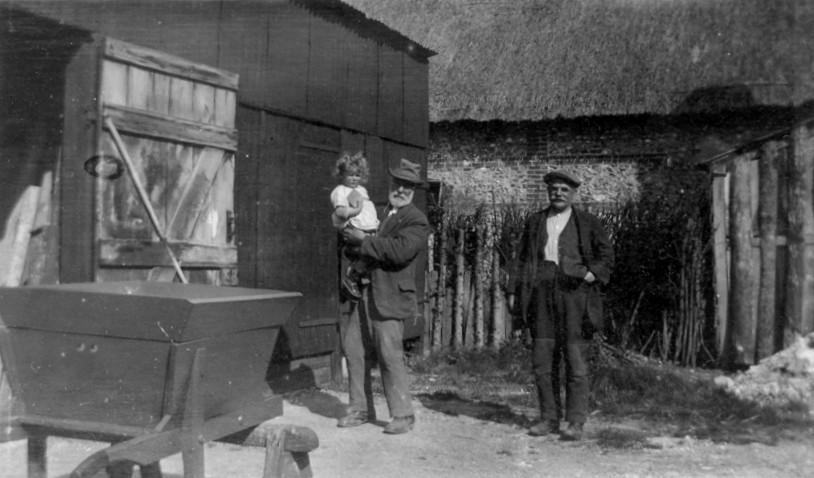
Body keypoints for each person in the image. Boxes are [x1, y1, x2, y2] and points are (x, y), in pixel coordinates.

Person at [508, 170, 614, 441]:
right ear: (548, 192)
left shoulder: (587, 222)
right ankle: (548, 418)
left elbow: (606, 255)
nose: (558, 193)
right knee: (543, 359)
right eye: (554, 189)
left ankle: (575, 422)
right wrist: (514, 291)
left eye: (564, 190)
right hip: (541, 296)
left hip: (576, 298)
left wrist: (592, 274)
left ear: (573, 193)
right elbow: (521, 259)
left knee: (576, 359)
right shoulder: (535, 221)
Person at [337, 158, 430, 435]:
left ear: (414, 191)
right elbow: (364, 246)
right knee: (354, 350)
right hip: (365, 291)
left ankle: (403, 415)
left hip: (390, 296)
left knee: (389, 355)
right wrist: (352, 240)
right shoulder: (380, 212)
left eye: (407, 186)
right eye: (398, 183)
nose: (401, 190)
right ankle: (360, 409)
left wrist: (363, 241)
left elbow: (399, 251)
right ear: (391, 183)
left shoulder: (416, 220)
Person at [330, 152, 380, 301]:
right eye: (350, 175)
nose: (354, 178)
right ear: (341, 175)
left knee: (375, 253)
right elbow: (340, 211)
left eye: (357, 175)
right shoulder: (340, 191)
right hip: (354, 228)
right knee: (369, 252)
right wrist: (356, 210)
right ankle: (352, 278)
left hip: (368, 228)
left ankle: (356, 275)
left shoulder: (361, 190)